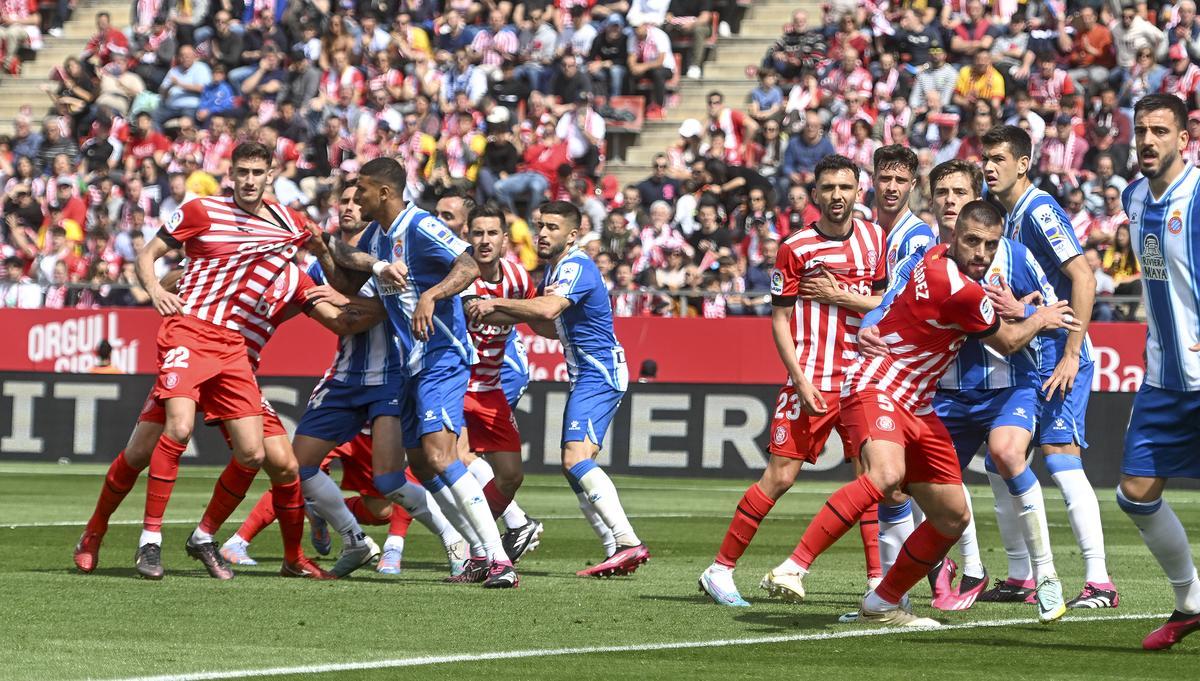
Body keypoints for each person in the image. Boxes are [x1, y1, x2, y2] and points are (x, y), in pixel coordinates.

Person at [767, 200, 1080, 626]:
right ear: (954, 238)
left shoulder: (932, 255)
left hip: (917, 403)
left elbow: (892, 299)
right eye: (972, 242)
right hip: (876, 384)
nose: (981, 254)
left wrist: (875, 321)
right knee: (885, 475)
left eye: (990, 245)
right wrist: (1040, 316)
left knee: (953, 515)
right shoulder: (960, 289)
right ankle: (795, 566)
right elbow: (1007, 343)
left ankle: (882, 603)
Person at [74, 146, 363, 579]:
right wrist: (159, 289)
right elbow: (158, 260)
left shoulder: (294, 257)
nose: (249, 180)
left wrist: (378, 290)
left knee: (275, 459)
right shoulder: (204, 213)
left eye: (257, 173)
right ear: (231, 174)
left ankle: (247, 546)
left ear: (271, 176)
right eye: (241, 172)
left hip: (237, 358)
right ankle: (106, 533)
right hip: (192, 335)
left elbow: (338, 302)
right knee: (145, 447)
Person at [308, 157, 519, 589]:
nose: (356, 197)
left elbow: (467, 265)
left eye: (362, 189)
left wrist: (432, 297)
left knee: (442, 456)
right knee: (421, 467)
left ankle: (499, 559)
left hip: (443, 355)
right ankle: (475, 554)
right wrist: (362, 262)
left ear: (384, 193)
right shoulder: (381, 239)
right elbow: (349, 261)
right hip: (412, 365)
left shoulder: (419, 226)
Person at [700, 155, 886, 607]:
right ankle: (720, 569)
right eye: (828, 188)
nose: (837, 196)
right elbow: (779, 320)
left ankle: (877, 580)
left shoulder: (875, 238)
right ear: (816, 194)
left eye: (845, 187)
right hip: (814, 380)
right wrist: (799, 380)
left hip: (860, 380)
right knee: (780, 476)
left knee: (874, 477)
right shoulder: (796, 247)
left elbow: (882, 299)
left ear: (858, 191)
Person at [285, 183, 470, 579]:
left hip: (390, 378)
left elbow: (371, 312)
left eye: (357, 199)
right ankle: (355, 541)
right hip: (344, 377)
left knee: (388, 480)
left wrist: (338, 305)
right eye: (345, 201)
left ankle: (455, 540)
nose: (351, 207)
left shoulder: (392, 250)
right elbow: (325, 304)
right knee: (295, 466)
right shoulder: (328, 262)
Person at [465, 201, 650, 578]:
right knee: (576, 466)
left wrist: (494, 302)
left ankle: (628, 542)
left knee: (574, 459)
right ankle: (616, 546)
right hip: (589, 372)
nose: (543, 234)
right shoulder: (557, 268)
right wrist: (485, 310)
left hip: (598, 372)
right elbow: (548, 326)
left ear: (572, 234)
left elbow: (547, 312)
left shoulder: (575, 265)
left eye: (552, 227)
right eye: (539, 226)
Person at [920, 160, 1067, 612]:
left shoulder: (1017, 257)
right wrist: (868, 325)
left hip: (1011, 386)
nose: (982, 251)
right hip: (948, 393)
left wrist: (1029, 315)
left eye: (958, 191)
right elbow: (889, 307)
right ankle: (968, 569)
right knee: (923, 485)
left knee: (1005, 453)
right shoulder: (924, 263)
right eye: (942, 193)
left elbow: (1055, 311)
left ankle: (1047, 575)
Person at [982, 124, 1118, 608]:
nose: (989, 167)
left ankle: (1100, 581)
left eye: (999, 158)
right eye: (986, 158)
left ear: (1023, 163)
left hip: (1059, 354)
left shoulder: (1038, 209)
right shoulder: (1006, 211)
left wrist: (1071, 352)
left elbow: (1083, 274)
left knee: (1060, 459)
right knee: (1001, 460)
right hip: (1029, 354)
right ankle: (1020, 575)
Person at [1116, 92, 1200, 650]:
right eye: (1141, 130)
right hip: (1163, 378)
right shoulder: (1132, 198)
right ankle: (1191, 602)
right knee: (1135, 492)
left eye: (1160, 131)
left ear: (1183, 141)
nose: (1147, 141)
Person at [458, 204, 544, 566]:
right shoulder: (460, 273)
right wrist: (524, 309)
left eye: (492, 233)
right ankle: (469, 550)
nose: (484, 240)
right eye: (477, 233)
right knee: (456, 460)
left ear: (505, 240)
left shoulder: (517, 276)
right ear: (468, 237)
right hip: (456, 385)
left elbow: (540, 316)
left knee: (510, 475)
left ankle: (486, 540)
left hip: (490, 389)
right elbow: (477, 310)